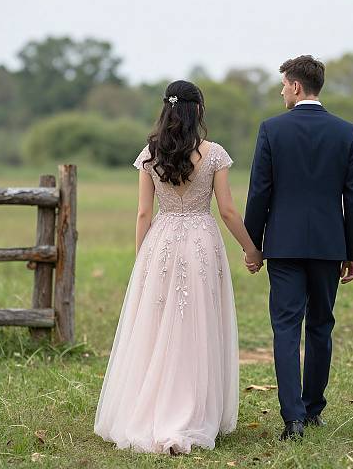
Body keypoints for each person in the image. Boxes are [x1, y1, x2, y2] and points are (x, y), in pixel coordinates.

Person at [94, 80, 262, 455]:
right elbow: (228, 211)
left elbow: (142, 212)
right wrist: (252, 249)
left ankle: (152, 409)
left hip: (162, 243)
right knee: (199, 323)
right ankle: (192, 411)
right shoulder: (214, 153)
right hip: (202, 242)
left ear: (167, 110)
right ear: (198, 110)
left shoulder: (150, 153)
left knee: (157, 325)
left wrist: (142, 261)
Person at [243, 55, 353, 441]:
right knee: (321, 326)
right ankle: (313, 411)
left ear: (296, 86)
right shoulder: (346, 132)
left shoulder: (272, 130)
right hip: (330, 245)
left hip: (283, 245)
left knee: (285, 328)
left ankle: (292, 419)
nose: (281, 90)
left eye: (283, 84)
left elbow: (260, 191)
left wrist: (252, 245)